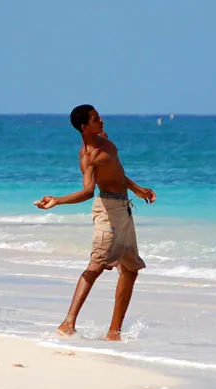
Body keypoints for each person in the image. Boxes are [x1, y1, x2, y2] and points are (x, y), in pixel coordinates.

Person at [34, 105, 157, 341]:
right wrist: (57, 200)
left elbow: (116, 171)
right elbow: (88, 191)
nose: (101, 120)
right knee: (97, 265)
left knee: (130, 269)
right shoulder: (88, 157)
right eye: (95, 119)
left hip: (124, 209)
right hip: (107, 211)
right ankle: (67, 323)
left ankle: (114, 332)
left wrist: (138, 190)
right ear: (84, 127)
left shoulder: (105, 140)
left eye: (98, 116)